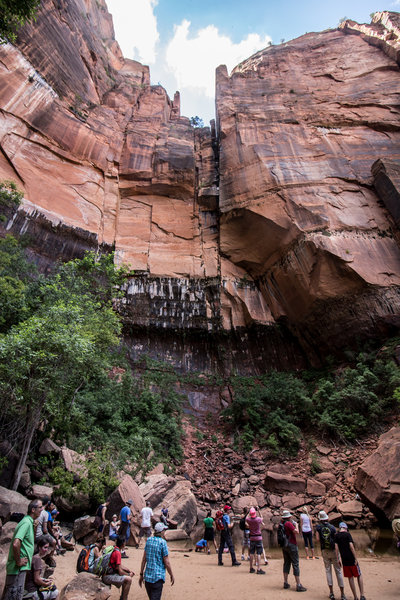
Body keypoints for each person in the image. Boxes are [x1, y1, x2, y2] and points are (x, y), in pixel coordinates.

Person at [2, 498, 43, 600]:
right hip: (17, 569)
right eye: (40, 507)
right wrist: (19, 561)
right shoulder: (26, 523)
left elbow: (30, 542)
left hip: (20, 569)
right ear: (33, 510)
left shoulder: (30, 523)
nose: (42, 509)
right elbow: (16, 544)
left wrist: (34, 528)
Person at [139, 522, 174, 600]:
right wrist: (171, 574)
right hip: (158, 578)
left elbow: (144, 559)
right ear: (161, 531)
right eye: (164, 530)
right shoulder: (163, 543)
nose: (164, 532)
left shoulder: (148, 541)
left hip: (147, 577)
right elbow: (167, 562)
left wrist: (141, 574)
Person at [316, 511, 346, 600]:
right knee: (338, 571)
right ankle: (342, 594)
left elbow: (317, 539)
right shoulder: (332, 528)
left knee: (328, 571)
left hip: (324, 550)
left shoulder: (318, 527)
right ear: (327, 518)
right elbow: (336, 540)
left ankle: (331, 593)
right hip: (333, 550)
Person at [335, 522, 366, 600]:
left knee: (350, 577)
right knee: (359, 575)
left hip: (344, 559)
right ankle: (362, 595)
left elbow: (336, 548)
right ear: (345, 528)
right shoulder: (348, 534)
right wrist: (356, 558)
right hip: (351, 558)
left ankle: (355, 597)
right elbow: (351, 546)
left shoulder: (336, 536)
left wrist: (338, 559)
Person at [280, 509, 307, 592]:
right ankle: (298, 584)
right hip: (292, 544)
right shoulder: (288, 523)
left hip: (284, 545)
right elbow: (297, 532)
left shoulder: (281, 524)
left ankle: (285, 582)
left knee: (286, 563)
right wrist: (296, 525)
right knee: (295, 563)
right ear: (289, 517)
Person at [101, 536, 134, 600]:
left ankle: (122, 597)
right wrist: (129, 574)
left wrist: (128, 570)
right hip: (108, 576)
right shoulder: (118, 553)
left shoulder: (114, 549)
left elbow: (119, 565)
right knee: (128, 579)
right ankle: (124, 598)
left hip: (106, 574)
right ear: (123, 544)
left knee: (126, 578)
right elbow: (120, 572)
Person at [246, 507, 265, 574]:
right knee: (258, 553)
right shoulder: (258, 519)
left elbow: (246, 518)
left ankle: (251, 568)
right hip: (258, 537)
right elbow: (262, 518)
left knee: (251, 553)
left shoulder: (249, 520)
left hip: (252, 538)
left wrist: (249, 512)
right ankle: (258, 568)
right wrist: (259, 511)